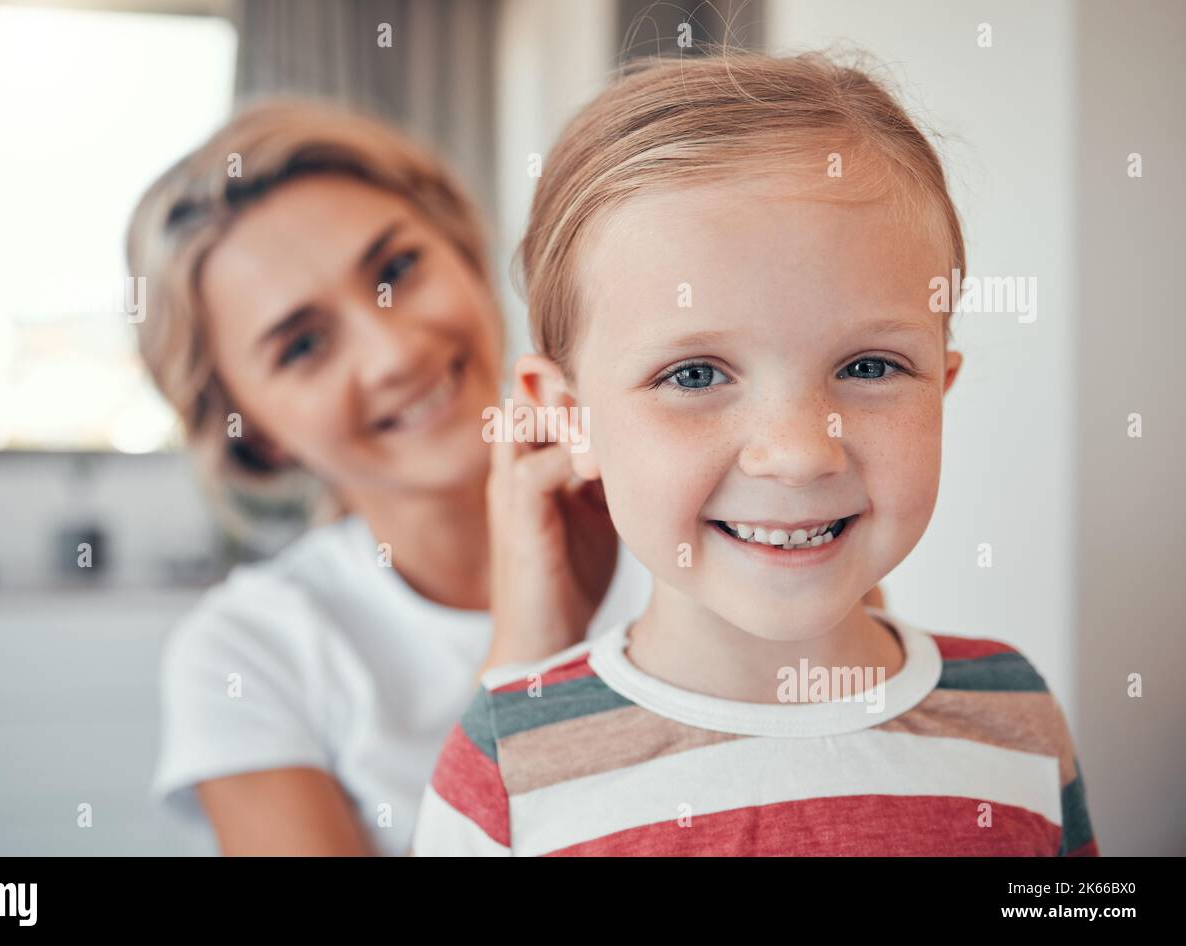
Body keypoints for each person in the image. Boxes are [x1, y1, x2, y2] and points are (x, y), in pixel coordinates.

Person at [411, 52, 1098, 856]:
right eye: (694, 374)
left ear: (940, 384)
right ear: (572, 421)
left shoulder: (1013, 716)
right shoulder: (508, 766)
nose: (801, 455)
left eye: (869, 367)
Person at [127, 100, 655, 856]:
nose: (393, 354)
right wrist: (524, 666)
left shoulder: (694, 524)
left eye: (398, 270)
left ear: (465, 253)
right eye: (303, 345)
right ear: (256, 435)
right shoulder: (248, 654)